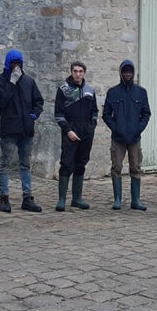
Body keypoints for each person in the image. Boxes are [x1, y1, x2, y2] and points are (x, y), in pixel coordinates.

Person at [0, 49, 44, 212]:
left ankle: (27, 198)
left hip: (26, 130)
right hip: (9, 130)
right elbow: (0, 102)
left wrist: (33, 115)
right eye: (13, 64)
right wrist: (11, 83)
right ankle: (4, 198)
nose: (16, 67)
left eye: (19, 64)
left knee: (25, 165)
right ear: (7, 64)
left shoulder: (29, 81)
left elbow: (38, 101)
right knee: (5, 164)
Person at [102, 60, 151, 210]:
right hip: (118, 138)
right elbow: (106, 115)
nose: (128, 74)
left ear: (133, 73)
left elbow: (146, 113)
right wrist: (115, 128)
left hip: (135, 138)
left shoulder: (141, 92)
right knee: (116, 168)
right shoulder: (113, 92)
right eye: (125, 71)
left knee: (136, 168)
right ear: (121, 73)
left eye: (130, 72)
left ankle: (135, 200)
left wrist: (139, 128)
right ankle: (117, 199)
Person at [54, 61, 98, 211]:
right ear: (71, 72)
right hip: (70, 131)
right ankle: (61, 200)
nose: (78, 74)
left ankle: (77, 198)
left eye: (80, 71)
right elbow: (58, 114)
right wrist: (68, 130)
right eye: (75, 71)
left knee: (81, 163)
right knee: (66, 164)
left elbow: (95, 112)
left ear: (84, 73)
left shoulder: (90, 91)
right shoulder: (63, 90)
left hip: (86, 132)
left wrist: (91, 127)